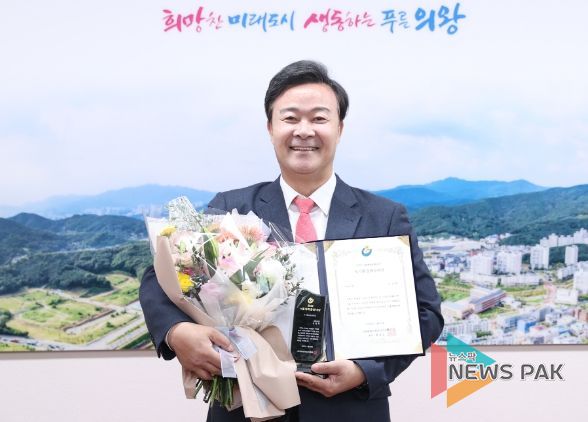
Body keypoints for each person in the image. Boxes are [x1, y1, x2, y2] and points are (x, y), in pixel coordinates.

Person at [139, 60, 444, 422]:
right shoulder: (232, 208)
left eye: (319, 118)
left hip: (349, 410)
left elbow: (426, 313)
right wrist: (177, 332)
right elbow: (163, 277)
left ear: (339, 128)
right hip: (245, 407)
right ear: (270, 128)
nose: (304, 130)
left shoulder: (384, 216)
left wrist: (366, 371)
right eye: (290, 118)